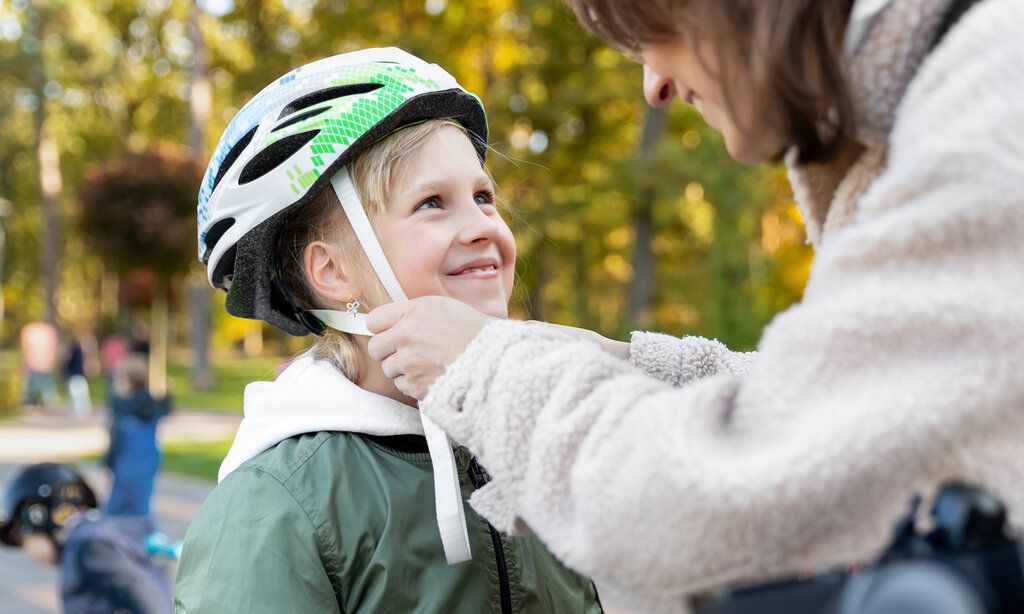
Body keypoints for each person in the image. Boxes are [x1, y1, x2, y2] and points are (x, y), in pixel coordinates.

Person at [363, 0, 1024, 611]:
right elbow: (872, 400)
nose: (653, 85)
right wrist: (619, 359)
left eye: (657, 28)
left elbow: (742, 487)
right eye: (431, 203)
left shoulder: (991, 111)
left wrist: (489, 369)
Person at [174, 48, 602, 613]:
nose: (481, 225)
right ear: (334, 272)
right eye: (433, 203)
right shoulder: (280, 502)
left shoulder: (531, 443)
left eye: (482, 196)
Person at [0, 462, 172, 614]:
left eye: (24, 540)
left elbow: (148, 597)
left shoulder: (90, 546)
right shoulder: (96, 536)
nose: (28, 551)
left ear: (38, 517)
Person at [105, 354, 170, 516]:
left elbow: (116, 443)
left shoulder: (122, 409)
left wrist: (107, 463)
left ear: (126, 381)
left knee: (115, 510)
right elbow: (167, 407)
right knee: (141, 508)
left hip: (126, 464)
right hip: (148, 462)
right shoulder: (152, 405)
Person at [20, 321, 59, 410]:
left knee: (41, 385)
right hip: (39, 364)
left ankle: (46, 401)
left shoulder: (30, 331)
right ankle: (37, 401)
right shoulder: (47, 331)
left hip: (37, 364)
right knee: (37, 384)